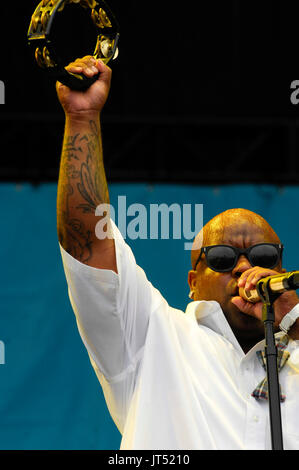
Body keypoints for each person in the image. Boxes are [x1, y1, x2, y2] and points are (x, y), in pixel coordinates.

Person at [56, 56, 299, 450]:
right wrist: (82, 119)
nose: (244, 268)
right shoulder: (153, 336)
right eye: (222, 259)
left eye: (264, 256)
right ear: (192, 282)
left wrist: (294, 321)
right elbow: (89, 241)